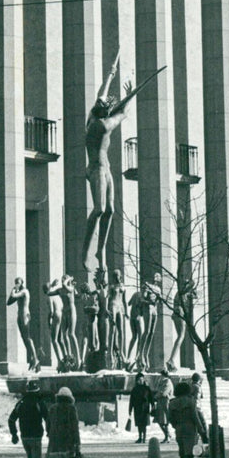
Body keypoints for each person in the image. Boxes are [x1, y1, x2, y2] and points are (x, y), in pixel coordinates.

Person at [83, 52, 141, 289]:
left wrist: (110, 76)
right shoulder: (103, 126)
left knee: (111, 210)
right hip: (96, 169)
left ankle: (100, 250)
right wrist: (130, 96)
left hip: (106, 168)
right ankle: (86, 252)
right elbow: (123, 113)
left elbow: (101, 97)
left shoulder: (91, 118)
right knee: (98, 209)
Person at [9, 378, 49, 458]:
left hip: (24, 436)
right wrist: (49, 431)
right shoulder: (39, 402)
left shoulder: (21, 403)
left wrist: (14, 434)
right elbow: (47, 418)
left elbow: (11, 419)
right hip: (36, 436)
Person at [46, 386, 81, 458]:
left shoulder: (52, 408)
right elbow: (75, 427)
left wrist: (50, 434)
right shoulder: (71, 408)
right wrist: (77, 443)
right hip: (68, 443)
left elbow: (48, 425)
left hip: (55, 443)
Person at [168, 380, 207, 458]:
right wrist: (201, 430)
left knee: (182, 450)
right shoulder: (191, 401)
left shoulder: (172, 403)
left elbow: (170, 418)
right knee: (190, 452)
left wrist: (175, 425)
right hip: (190, 428)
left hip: (179, 428)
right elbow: (195, 417)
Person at [7, 278, 39, 371]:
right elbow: (9, 302)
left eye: (18, 283)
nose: (16, 284)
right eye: (15, 282)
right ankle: (32, 358)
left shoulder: (24, 291)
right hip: (19, 316)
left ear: (21, 283)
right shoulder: (18, 293)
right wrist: (13, 291)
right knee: (24, 338)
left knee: (28, 337)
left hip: (25, 315)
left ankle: (35, 358)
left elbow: (14, 295)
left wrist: (13, 289)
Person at [129, 371, 155, 443]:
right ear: (137, 381)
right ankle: (140, 437)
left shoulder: (147, 388)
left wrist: (153, 405)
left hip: (145, 408)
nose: (141, 381)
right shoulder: (134, 389)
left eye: (142, 379)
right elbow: (131, 400)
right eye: (139, 380)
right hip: (137, 408)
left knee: (144, 423)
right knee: (139, 423)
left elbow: (151, 398)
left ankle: (144, 437)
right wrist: (130, 410)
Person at [153, 369, 174, 443]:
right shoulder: (162, 382)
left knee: (164, 421)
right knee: (160, 421)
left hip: (165, 403)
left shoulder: (167, 382)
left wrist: (155, 396)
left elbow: (163, 392)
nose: (160, 376)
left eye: (161, 375)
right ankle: (167, 435)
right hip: (160, 403)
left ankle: (167, 435)